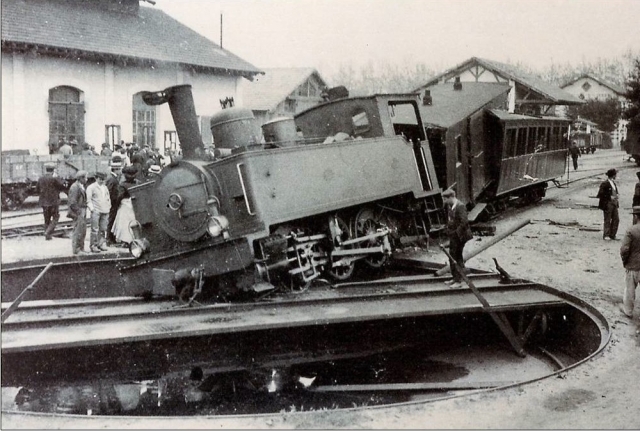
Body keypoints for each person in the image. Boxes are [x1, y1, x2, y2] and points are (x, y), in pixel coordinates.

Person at [443, 189, 473, 288]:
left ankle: (459, 281)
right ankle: (455, 278)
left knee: (456, 256)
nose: (445, 201)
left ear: (451, 197)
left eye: (446, 199)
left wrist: (455, 234)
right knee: (453, 255)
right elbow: (451, 221)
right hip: (455, 235)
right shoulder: (450, 206)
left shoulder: (460, 206)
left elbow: (464, 222)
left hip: (461, 236)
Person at [619, 206, 640, 319]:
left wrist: (625, 261)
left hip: (633, 265)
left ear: (635, 216)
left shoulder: (631, 230)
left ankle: (628, 311)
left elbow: (624, 249)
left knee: (630, 290)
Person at [37, 164, 66, 240]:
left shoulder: (41, 178)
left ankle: (48, 236)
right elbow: (62, 186)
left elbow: (37, 189)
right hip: (53, 202)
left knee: (46, 218)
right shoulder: (54, 179)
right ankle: (48, 232)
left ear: (46, 170)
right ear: (53, 170)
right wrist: (58, 177)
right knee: (56, 217)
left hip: (44, 202)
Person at [86, 172, 111, 253]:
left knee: (103, 229)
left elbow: (108, 197)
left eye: (103, 180)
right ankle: (93, 245)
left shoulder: (105, 187)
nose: (101, 181)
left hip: (105, 210)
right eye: (100, 179)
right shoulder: (91, 187)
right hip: (96, 210)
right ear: (96, 178)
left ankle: (101, 244)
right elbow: (88, 200)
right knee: (95, 229)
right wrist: (92, 209)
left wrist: (108, 206)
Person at [67, 170, 88, 255]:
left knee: (82, 230)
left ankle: (81, 248)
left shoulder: (80, 186)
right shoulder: (75, 187)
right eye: (85, 177)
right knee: (78, 231)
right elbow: (72, 202)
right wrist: (79, 212)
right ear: (81, 178)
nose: (86, 179)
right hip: (78, 212)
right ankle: (76, 249)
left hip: (81, 211)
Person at [105, 157, 125, 246]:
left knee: (113, 220)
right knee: (111, 220)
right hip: (112, 203)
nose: (120, 171)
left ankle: (111, 238)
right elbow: (108, 192)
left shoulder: (113, 178)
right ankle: (109, 239)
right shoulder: (112, 179)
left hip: (113, 202)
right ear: (116, 170)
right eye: (119, 169)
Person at [597, 168, 620, 240]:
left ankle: (613, 234)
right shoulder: (605, 184)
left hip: (614, 203)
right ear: (613, 175)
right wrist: (609, 197)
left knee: (616, 219)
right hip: (608, 204)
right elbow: (600, 194)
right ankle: (606, 235)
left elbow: (614, 191)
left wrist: (617, 194)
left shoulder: (613, 183)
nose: (616, 176)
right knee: (607, 219)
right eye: (615, 174)